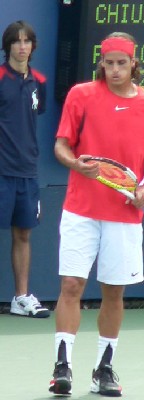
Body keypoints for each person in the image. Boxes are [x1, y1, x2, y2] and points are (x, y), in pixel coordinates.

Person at [49, 32, 144, 396]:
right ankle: (62, 368)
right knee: (71, 285)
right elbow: (61, 144)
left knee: (113, 292)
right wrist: (76, 164)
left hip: (124, 216)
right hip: (80, 209)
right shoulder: (81, 95)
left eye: (122, 63)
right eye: (109, 63)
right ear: (100, 64)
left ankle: (104, 369)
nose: (115, 70)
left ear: (133, 64)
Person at [0, 21, 50, 318]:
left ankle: (20, 298)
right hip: (0, 171)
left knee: (23, 234)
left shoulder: (39, 82)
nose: (22, 46)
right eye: (16, 41)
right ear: (8, 46)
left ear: (32, 46)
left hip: (27, 172)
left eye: (26, 41)